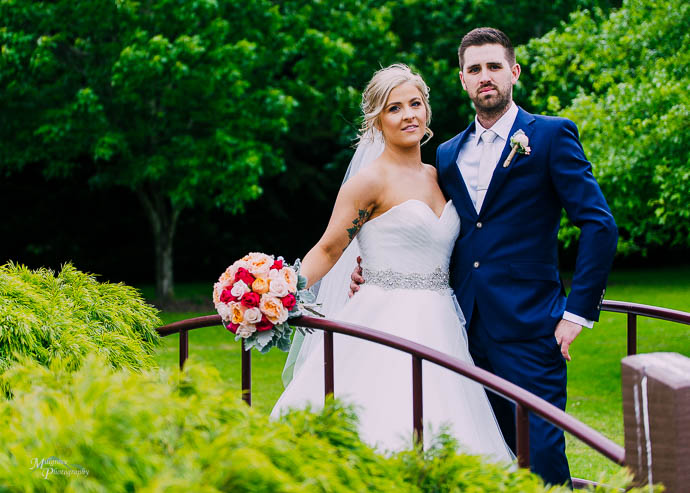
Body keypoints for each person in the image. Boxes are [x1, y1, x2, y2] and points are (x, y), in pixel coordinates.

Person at [348, 28, 618, 485]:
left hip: (531, 327)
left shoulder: (550, 136)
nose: (485, 76)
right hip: (460, 328)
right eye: (475, 69)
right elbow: (444, 233)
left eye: (494, 66)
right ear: (462, 79)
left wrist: (578, 313)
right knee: (481, 454)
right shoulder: (448, 154)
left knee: (543, 452)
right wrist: (374, 270)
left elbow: (599, 224)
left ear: (513, 72)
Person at [271, 64, 513, 462]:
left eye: (415, 104)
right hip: (383, 318)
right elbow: (329, 248)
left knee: (448, 426)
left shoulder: (441, 175)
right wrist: (279, 292)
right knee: (386, 422)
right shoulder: (369, 182)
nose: (408, 115)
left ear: (427, 110)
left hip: (443, 323)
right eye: (394, 108)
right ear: (377, 120)